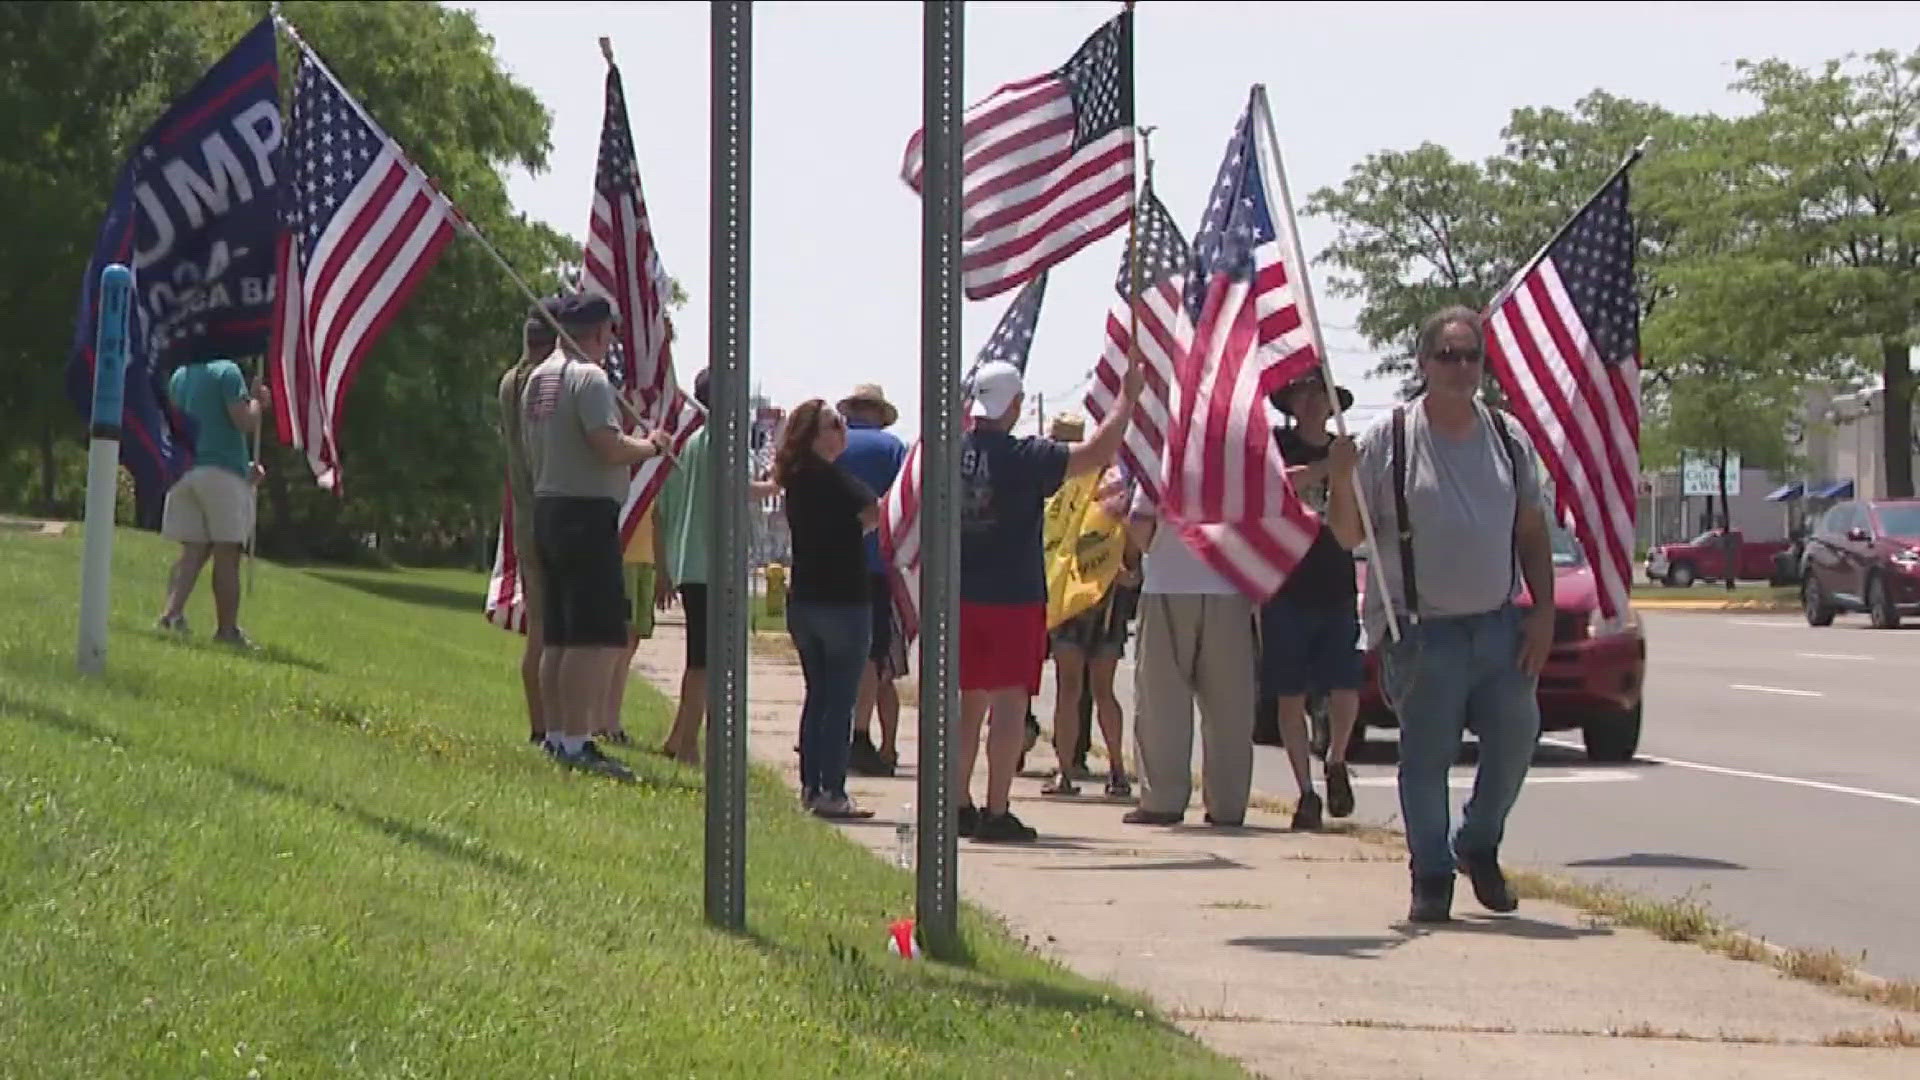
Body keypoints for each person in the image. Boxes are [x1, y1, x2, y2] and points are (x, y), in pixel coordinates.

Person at [1339, 305, 1555, 924]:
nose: (1461, 368)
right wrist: (1340, 479)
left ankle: (1477, 844)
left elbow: (1532, 530)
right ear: (1423, 363)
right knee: (1426, 758)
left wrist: (1541, 612)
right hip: (1422, 632)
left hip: (1499, 625)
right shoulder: (1391, 440)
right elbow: (1346, 533)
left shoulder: (1508, 437)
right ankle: (1430, 874)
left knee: (1516, 736)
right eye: (1448, 356)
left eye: (1471, 356)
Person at [957, 358, 1140, 843]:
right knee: (1010, 705)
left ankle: (956, 803)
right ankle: (996, 810)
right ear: (1015, 405)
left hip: (960, 594)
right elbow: (1097, 452)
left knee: (968, 704)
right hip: (1012, 596)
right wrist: (1126, 399)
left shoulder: (951, 451)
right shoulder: (1024, 456)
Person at [520, 293, 672, 779]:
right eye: (610, 333)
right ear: (599, 331)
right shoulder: (589, 378)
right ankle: (577, 739)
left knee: (562, 633)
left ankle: (559, 735)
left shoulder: (538, 378)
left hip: (549, 506)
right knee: (594, 636)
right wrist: (650, 446)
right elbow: (605, 445)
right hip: (584, 512)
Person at [1257, 371, 1366, 829]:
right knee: (1290, 695)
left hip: (1337, 581)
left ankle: (1336, 759)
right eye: (1305, 394)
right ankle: (1304, 792)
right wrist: (1328, 470)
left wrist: (1344, 469)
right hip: (1285, 586)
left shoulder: (1348, 450)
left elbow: (1360, 515)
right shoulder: (1276, 448)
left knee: (1344, 685)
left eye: (1321, 395)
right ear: (1292, 403)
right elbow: (1278, 485)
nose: (1313, 402)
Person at [1121, 485, 1259, 829]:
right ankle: (1228, 804)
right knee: (1230, 707)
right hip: (1230, 584)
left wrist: (1153, 552)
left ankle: (1162, 799)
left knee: (1162, 703)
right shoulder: (1240, 453)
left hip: (1169, 580)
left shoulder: (1164, 457)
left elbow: (1139, 521)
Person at [775, 400, 882, 818]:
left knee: (818, 696)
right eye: (833, 426)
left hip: (805, 600)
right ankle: (832, 790)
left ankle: (810, 785)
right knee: (840, 701)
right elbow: (874, 510)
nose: (842, 432)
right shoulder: (834, 479)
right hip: (843, 600)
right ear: (814, 435)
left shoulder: (796, 479)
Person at [1040, 414, 1138, 800]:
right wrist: (1128, 569)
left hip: (1072, 597)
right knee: (1102, 690)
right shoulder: (1113, 484)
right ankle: (1116, 772)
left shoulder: (1058, 488)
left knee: (1071, 689)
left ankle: (1066, 773)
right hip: (1106, 596)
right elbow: (1128, 540)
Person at [155, 352, 268, 648]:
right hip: (220, 474)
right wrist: (257, 403)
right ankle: (226, 631)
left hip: (186, 472)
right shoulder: (227, 372)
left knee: (192, 550)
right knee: (227, 554)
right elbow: (243, 421)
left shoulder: (180, 375)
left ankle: (171, 614)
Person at [834, 383, 909, 777]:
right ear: (879, 413)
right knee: (870, 656)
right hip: (877, 565)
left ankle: (826, 730)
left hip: (827, 564)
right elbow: (908, 504)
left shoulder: (830, 446)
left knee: (831, 652)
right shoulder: (893, 449)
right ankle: (860, 736)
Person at [498, 305, 559, 745]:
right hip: (546, 510)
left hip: (523, 511)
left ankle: (541, 724)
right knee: (548, 629)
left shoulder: (509, 380)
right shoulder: (541, 385)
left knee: (539, 626)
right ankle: (547, 725)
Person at [654, 370, 713, 766]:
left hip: (687, 563)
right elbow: (746, 488)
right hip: (712, 565)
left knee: (699, 658)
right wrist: (779, 483)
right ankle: (686, 740)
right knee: (707, 662)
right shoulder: (724, 445)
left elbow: (659, 512)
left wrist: (663, 569)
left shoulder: (686, 444)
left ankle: (680, 734)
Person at [601, 502, 658, 746]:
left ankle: (611, 719)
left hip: (647, 559)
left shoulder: (654, 470)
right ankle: (604, 721)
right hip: (623, 556)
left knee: (631, 642)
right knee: (616, 642)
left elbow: (658, 516)